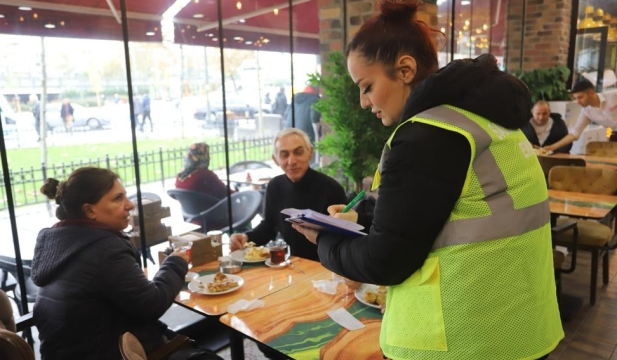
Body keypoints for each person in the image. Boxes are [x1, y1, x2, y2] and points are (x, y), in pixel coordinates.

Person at [291, 1, 562, 359]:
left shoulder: (427, 135)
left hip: (462, 340)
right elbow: (453, 212)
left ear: (404, 70)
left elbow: (384, 261)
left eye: (367, 85)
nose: (362, 101)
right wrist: (363, 219)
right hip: (521, 327)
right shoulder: (487, 122)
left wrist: (323, 238)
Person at [31, 167, 198, 359]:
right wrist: (176, 263)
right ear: (89, 210)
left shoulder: (61, 243)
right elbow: (153, 304)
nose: (129, 205)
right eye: (118, 198)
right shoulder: (106, 250)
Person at [229, 128, 346, 261]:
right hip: (292, 263)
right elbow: (269, 227)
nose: (291, 161)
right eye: (284, 155)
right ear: (275, 159)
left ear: (310, 153)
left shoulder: (331, 188)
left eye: (298, 152)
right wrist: (246, 238)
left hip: (327, 265)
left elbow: (342, 239)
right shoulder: (275, 186)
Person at [543, 78, 617, 152]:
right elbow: (574, 133)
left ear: (591, 93)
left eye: (580, 97)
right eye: (576, 98)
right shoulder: (586, 112)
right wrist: (552, 147)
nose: (578, 101)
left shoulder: (613, 96)